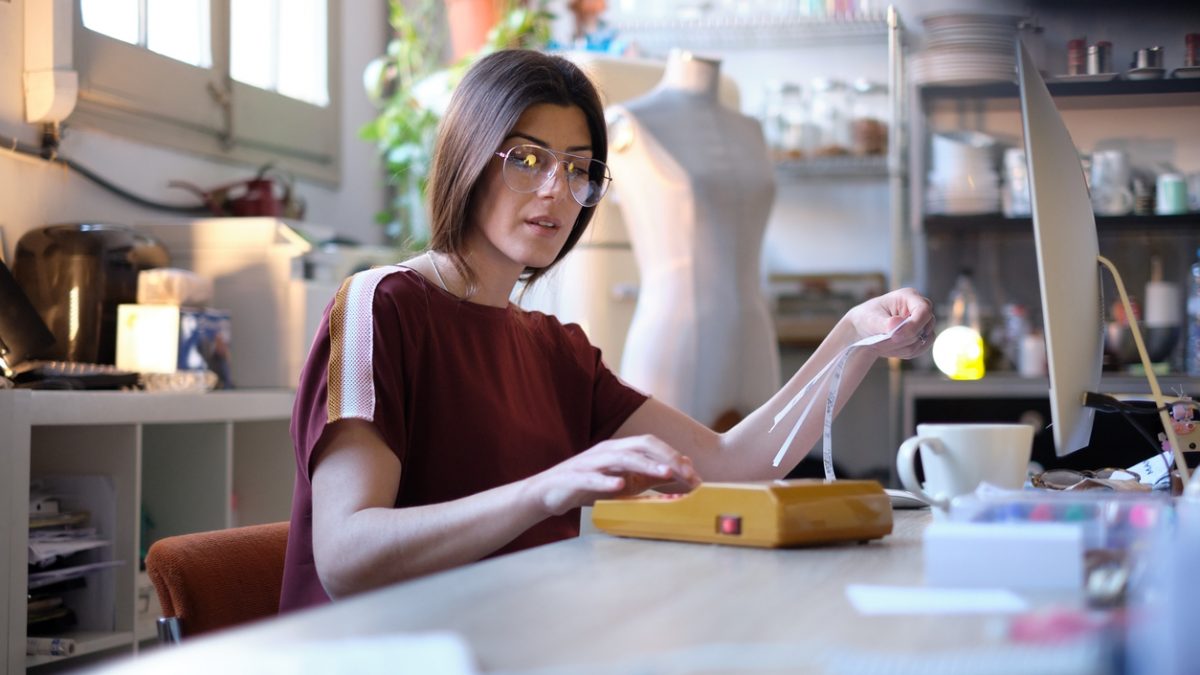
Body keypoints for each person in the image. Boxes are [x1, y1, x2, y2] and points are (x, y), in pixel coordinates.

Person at [279, 49, 934, 612]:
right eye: (529, 159)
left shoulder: (555, 350)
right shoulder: (382, 305)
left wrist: (853, 337)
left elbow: (736, 466)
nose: (555, 192)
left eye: (578, 168)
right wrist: (550, 486)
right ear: (469, 156)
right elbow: (346, 554)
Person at [607, 49, 779, 429]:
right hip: (676, 337)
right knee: (667, 482)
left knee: (761, 480)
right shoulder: (631, 123)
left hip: (755, 337)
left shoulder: (751, 129)